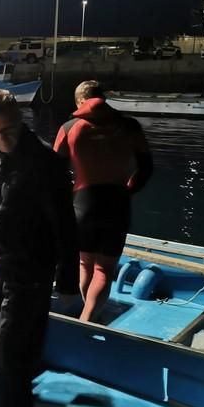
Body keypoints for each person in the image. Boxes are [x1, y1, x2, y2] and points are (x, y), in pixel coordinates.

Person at [0, 89, 79, 407]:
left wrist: (68, 281)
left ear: (21, 121)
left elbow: (65, 224)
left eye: (9, 131)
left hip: (32, 270)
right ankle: (19, 400)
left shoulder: (45, 163)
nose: (2, 140)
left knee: (10, 348)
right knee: (9, 340)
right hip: (2, 266)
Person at [54, 81, 153, 322]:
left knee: (85, 263)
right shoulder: (129, 126)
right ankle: (87, 317)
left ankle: (85, 312)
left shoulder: (69, 127)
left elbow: (53, 170)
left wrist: (68, 196)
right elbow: (146, 168)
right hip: (117, 202)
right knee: (104, 269)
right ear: (103, 98)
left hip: (83, 203)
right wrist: (128, 190)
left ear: (79, 102)